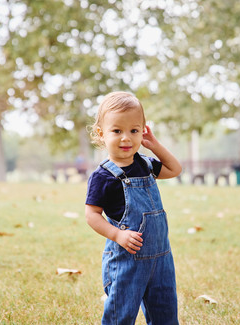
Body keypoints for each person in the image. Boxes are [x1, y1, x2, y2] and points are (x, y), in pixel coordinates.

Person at [85, 91, 182, 324]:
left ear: (142, 131)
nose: (126, 138)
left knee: (165, 313)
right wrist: (117, 234)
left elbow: (175, 169)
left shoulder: (145, 164)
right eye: (117, 131)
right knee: (121, 314)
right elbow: (91, 215)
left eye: (134, 130)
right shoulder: (103, 176)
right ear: (101, 134)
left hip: (161, 259)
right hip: (127, 260)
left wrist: (154, 145)